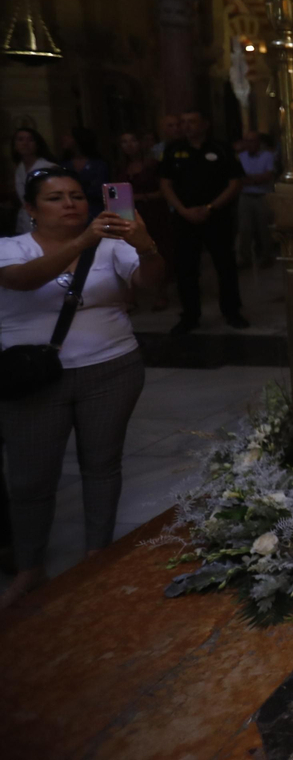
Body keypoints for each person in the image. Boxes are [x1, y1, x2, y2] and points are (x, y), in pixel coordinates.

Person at [0, 166, 163, 610]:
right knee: (31, 477)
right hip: (33, 379)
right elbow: (21, 280)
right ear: (31, 208)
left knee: (102, 465)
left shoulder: (112, 245)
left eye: (75, 195)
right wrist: (82, 242)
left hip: (111, 369)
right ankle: (30, 568)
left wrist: (145, 246)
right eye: (55, 198)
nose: (69, 204)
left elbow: (149, 284)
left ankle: (98, 556)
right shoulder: (10, 248)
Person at [159, 110, 247, 333]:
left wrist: (210, 207)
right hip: (184, 217)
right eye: (183, 122)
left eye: (191, 121)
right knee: (186, 268)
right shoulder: (173, 150)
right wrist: (182, 210)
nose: (186, 126)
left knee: (225, 265)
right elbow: (165, 184)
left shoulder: (221, 148)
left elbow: (235, 182)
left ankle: (232, 311)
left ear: (205, 124)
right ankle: (190, 315)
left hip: (217, 217)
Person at [117, 132, 172, 310]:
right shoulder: (120, 167)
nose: (129, 145)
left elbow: (165, 190)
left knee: (158, 248)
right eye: (124, 142)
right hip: (128, 213)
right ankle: (130, 295)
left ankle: (161, 293)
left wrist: (141, 197)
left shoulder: (153, 165)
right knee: (127, 249)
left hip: (153, 211)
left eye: (133, 140)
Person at [235, 131, 278, 269]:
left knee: (264, 228)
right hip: (245, 196)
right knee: (244, 228)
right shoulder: (240, 157)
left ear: (258, 142)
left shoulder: (268, 156)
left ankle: (266, 256)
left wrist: (249, 179)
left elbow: (268, 176)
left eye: (252, 140)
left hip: (263, 196)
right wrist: (255, 179)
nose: (249, 144)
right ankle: (245, 257)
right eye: (247, 141)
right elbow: (238, 178)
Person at [9, 127, 55, 235]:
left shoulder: (48, 167)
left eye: (30, 140)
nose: (25, 143)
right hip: (26, 219)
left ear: (37, 144)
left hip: (47, 218)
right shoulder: (20, 168)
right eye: (20, 140)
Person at [64, 126, 111, 218]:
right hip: (71, 209)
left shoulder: (98, 164)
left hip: (95, 211)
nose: (64, 138)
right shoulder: (64, 165)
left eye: (68, 136)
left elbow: (100, 190)